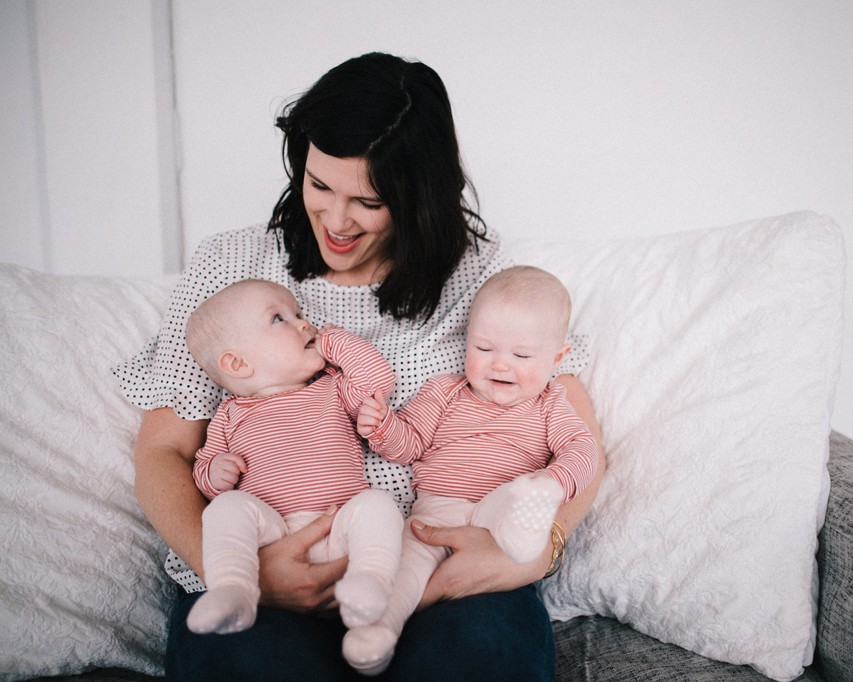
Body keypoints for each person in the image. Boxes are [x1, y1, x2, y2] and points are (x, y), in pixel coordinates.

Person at [115, 51, 605, 681]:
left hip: (442, 569)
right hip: (266, 565)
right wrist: (243, 574)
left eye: (368, 202)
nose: (337, 221)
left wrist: (534, 555)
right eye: (319, 186)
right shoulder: (231, 264)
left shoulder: (483, 277)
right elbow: (161, 453)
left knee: (481, 663)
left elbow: (577, 437)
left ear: (417, 195)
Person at [345, 265, 598, 674]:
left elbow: (582, 450)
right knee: (403, 572)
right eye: (484, 348)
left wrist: (552, 481)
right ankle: (380, 632)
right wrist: (382, 426)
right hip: (435, 511)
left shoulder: (551, 404)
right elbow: (409, 444)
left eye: (521, 355)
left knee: (515, 502)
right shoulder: (444, 391)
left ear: (557, 357)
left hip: (496, 517)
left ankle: (525, 527)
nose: (500, 365)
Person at [181, 278, 402, 637]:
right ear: (237, 363)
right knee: (226, 508)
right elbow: (203, 469)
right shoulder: (229, 414)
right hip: (272, 534)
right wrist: (214, 473)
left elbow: (378, 380)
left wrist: (333, 340)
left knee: (379, 504)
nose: (303, 322)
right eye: (278, 318)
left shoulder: (330, 387)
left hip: (340, 526)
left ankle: (370, 580)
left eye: (299, 313)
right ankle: (233, 587)